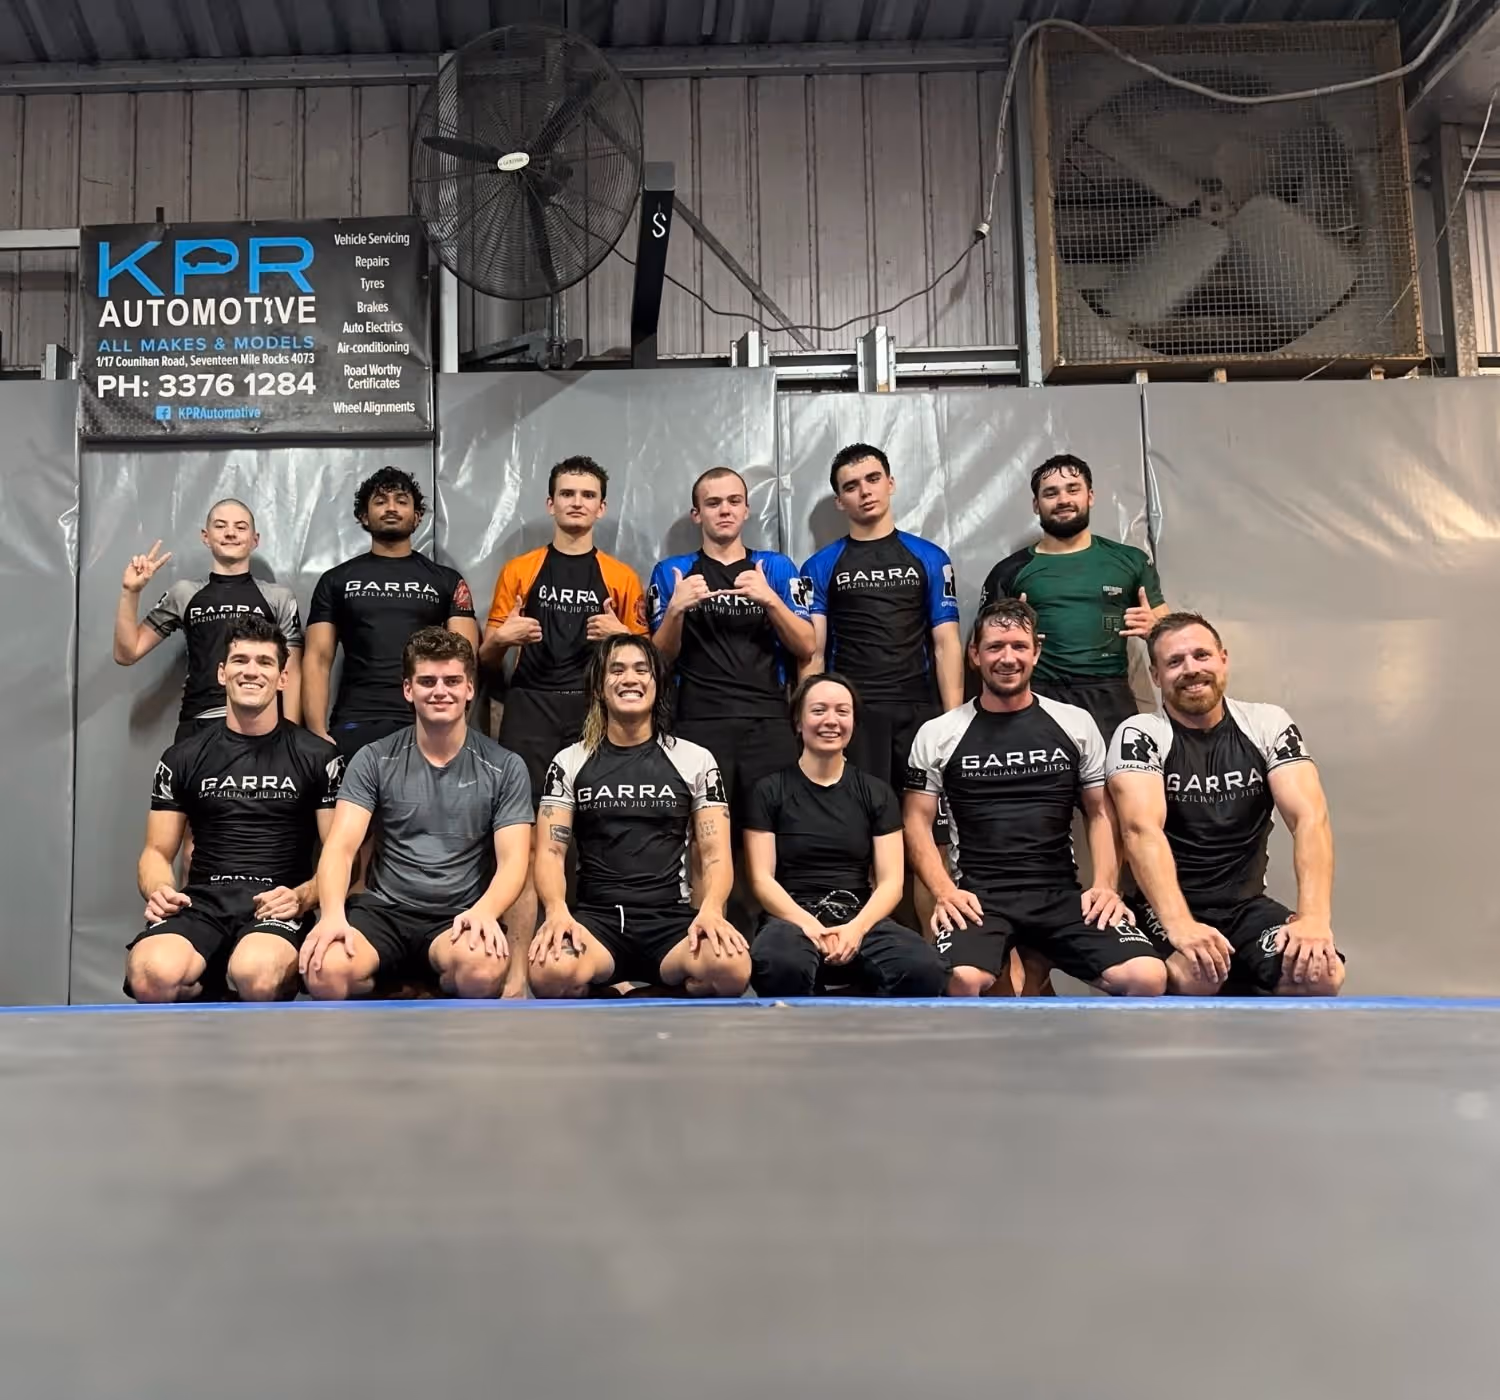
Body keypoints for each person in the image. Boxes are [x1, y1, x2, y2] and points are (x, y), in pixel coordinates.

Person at [904, 598, 1167, 998]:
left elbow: (1100, 812)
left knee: (1148, 976)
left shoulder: (1075, 723)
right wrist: (945, 892)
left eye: (1019, 646)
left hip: (1060, 896)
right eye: (995, 647)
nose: (1007, 658)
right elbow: (916, 820)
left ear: (1036, 652)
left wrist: (1105, 886)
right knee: (961, 980)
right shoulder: (939, 732)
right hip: (980, 898)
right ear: (974, 654)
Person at [1105, 612, 1344, 997]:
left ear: (1223, 659)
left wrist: (1314, 919)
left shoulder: (1267, 724)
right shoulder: (1141, 734)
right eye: (1174, 661)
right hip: (1166, 908)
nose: (1191, 669)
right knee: (1198, 975)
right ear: (1155, 675)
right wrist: (1180, 925)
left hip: (1245, 907)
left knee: (1320, 973)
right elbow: (1140, 830)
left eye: (1201, 655)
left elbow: (1309, 819)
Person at [299, 628, 533, 1000]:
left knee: (481, 969)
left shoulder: (505, 766)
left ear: (469, 688)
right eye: (427, 681)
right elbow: (340, 849)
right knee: (325, 971)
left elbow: (514, 861)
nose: (440, 691)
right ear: (408, 690)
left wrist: (486, 911)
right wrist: (331, 916)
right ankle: (396, 984)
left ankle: (422, 985)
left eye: (452, 681)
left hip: (458, 914)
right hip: (383, 912)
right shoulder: (374, 758)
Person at [124, 616, 342, 1002]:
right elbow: (156, 851)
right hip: (202, 904)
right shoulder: (182, 757)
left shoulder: (318, 756)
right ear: (222, 673)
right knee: (150, 974)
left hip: (277, 905)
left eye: (264, 662)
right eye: (240, 660)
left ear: (283, 678)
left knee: (256, 974)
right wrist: (159, 889)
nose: (251, 671)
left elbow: (341, 854)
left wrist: (303, 897)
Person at [526, 634, 750, 998]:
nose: (630, 678)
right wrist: (555, 911)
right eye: (616, 670)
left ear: (657, 684)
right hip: (597, 924)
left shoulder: (695, 760)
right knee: (549, 974)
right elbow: (551, 852)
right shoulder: (569, 761)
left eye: (641, 670)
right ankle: (607, 997)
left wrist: (711, 910)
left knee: (731, 970)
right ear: (599, 688)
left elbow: (714, 854)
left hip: (670, 921)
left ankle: (651, 995)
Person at [744, 674, 945, 998]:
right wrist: (809, 925)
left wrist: (856, 929)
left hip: (859, 915)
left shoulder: (876, 792)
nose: (831, 721)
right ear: (798, 722)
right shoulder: (768, 791)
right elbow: (761, 880)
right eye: (818, 710)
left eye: (842, 711)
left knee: (925, 969)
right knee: (780, 965)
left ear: (853, 722)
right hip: (791, 917)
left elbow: (891, 882)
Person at [649, 467, 814, 823]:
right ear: (697, 514)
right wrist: (675, 610)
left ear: (746, 510)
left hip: (768, 721)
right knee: (704, 832)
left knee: (771, 831)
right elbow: (658, 660)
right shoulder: (672, 571)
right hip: (697, 721)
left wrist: (770, 600)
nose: (725, 510)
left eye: (734, 501)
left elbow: (807, 645)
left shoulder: (777, 567)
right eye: (713, 503)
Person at [480, 455, 646, 802]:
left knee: (596, 814)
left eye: (588, 495)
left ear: (601, 508)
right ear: (550, 503)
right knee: (523, 811)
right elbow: (485, 658)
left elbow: (650, 662)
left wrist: (623, 637)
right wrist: (501, 639)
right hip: (530, 705)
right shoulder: (518, 570)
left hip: (595, 705)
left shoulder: (622, 577)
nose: (577, 502)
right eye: (567, 493)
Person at [801, 444, 963, 800]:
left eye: (873, 479)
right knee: (860, 818)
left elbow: (946, 643)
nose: (865, 491)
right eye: (851, 486)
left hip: (919, 711)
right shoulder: (819, 566)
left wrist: (954, 720)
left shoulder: (930, 557)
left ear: (890, 483)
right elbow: (814, 653)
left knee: (921, 819)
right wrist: (811, 720)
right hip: (854, 715)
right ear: (840, 501)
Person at [979, 454, 1167, 746]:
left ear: (1090, 496)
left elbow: (1172, 637)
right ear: (1036, 504)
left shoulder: (1131, 561)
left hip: (1109, 697)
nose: (1063, 499)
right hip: (1037, 697)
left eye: (1073, 489)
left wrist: (1156, 630)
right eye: (1051, 493)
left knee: (1117, 776)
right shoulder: (1009, 571)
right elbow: (980, 651)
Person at [303, 467, 479, 762]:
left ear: (417, 516)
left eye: (401, 500)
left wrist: (456, 731)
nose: (391, 508)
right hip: (354, 721)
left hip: (425, 723)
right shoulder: (335, 580)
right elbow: (317, 659)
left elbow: (466, 661)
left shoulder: (446, 581)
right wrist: (317, 734)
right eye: (380, 501)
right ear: (364, 516)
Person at [115, 499, 304, 738]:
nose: (230, 533)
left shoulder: (279, 597)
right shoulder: (184, 593)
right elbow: (127, 653)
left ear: (255, 540)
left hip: (261, 724)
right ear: (206, 536)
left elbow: (292, 670)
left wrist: (289, 736)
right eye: (220, 525)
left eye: (241, 527)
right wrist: (130, 592)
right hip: (199, 723)